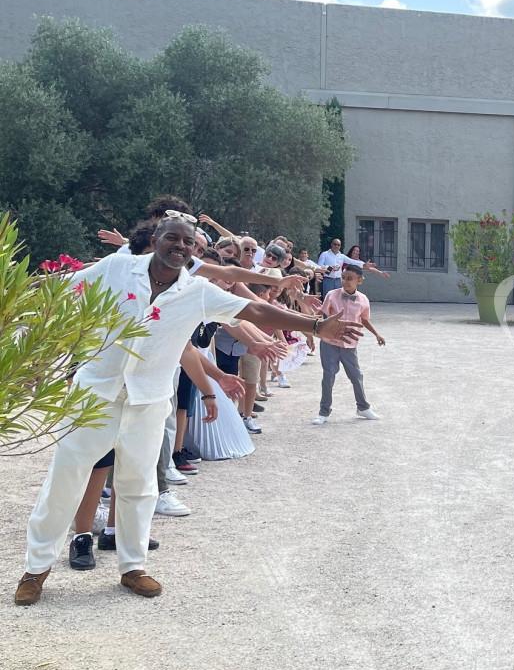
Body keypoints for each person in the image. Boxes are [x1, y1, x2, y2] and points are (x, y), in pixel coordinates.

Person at [15, 213, 363, 606]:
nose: (181, 246)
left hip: (148, 401)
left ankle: (132, 567)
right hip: (95, 395)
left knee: (139, 484)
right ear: (154, 237)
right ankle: (36, 568)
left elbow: (255, 312)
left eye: (189, 242)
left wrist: (315, 327)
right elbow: (59, 292)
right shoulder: (116, 268)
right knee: (65, 476)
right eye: (173, 238)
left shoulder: (196, 292)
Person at [312, 264, 385, 426]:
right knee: (328, 376)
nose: (345, 281)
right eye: (343, 278)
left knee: (356, 376)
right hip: (329, 343)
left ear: (360, 280)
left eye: (350, 278)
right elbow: (321, 315)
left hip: (350, 344)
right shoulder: (331, 295)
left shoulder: (363, 300)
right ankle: (324, 411)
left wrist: (377, 334)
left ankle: (363, 407)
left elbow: (364, 319)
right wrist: (313, 333)